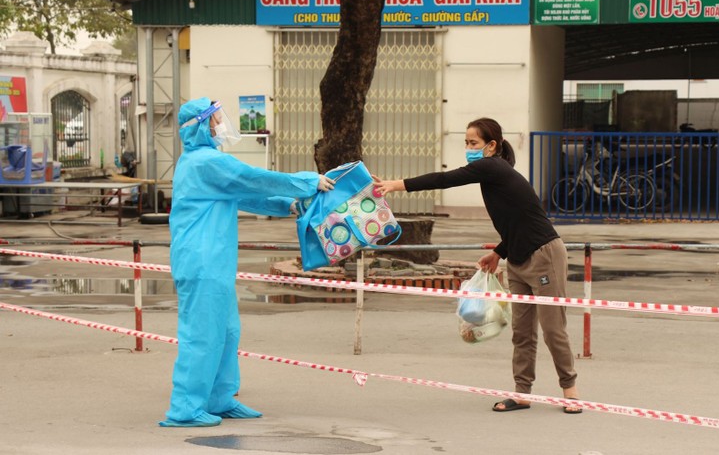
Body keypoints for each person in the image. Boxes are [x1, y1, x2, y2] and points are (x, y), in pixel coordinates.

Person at [374, 117, 581, 414]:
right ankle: (522, 393)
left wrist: (397, 185)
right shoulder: (493, 176)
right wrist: (498, 252)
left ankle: (570, 391)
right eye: (466, 143)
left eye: (474, 143)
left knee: (553, 329)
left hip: (544, 254)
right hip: (518, 257)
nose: (469, 149)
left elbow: (444, 179)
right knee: (522, 332)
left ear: (491, 146)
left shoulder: (492, 166)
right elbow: (515, 221)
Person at [159, 97, 335, 427]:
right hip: (200, 261)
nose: (219, 125)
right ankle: (185, 408)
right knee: (202, 334)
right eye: (213, 120)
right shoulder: (204, 162)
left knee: (226, 331)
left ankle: (219, 398)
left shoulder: (207, 164)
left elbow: (244, 194)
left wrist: (290, 206)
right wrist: (307, 182)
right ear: (199, 125)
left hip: (215, 263)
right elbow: (252, 177)